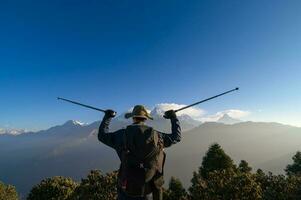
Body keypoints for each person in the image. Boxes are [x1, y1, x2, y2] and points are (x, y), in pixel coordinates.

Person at [98, 105, 181, 200]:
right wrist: (173, 117)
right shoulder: (158, 136)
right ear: (145, 119)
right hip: (147, 191)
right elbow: (176, 137)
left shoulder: (122, 135)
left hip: (126, 190)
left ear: (133, 118)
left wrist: (108, 117)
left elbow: (102, 136)